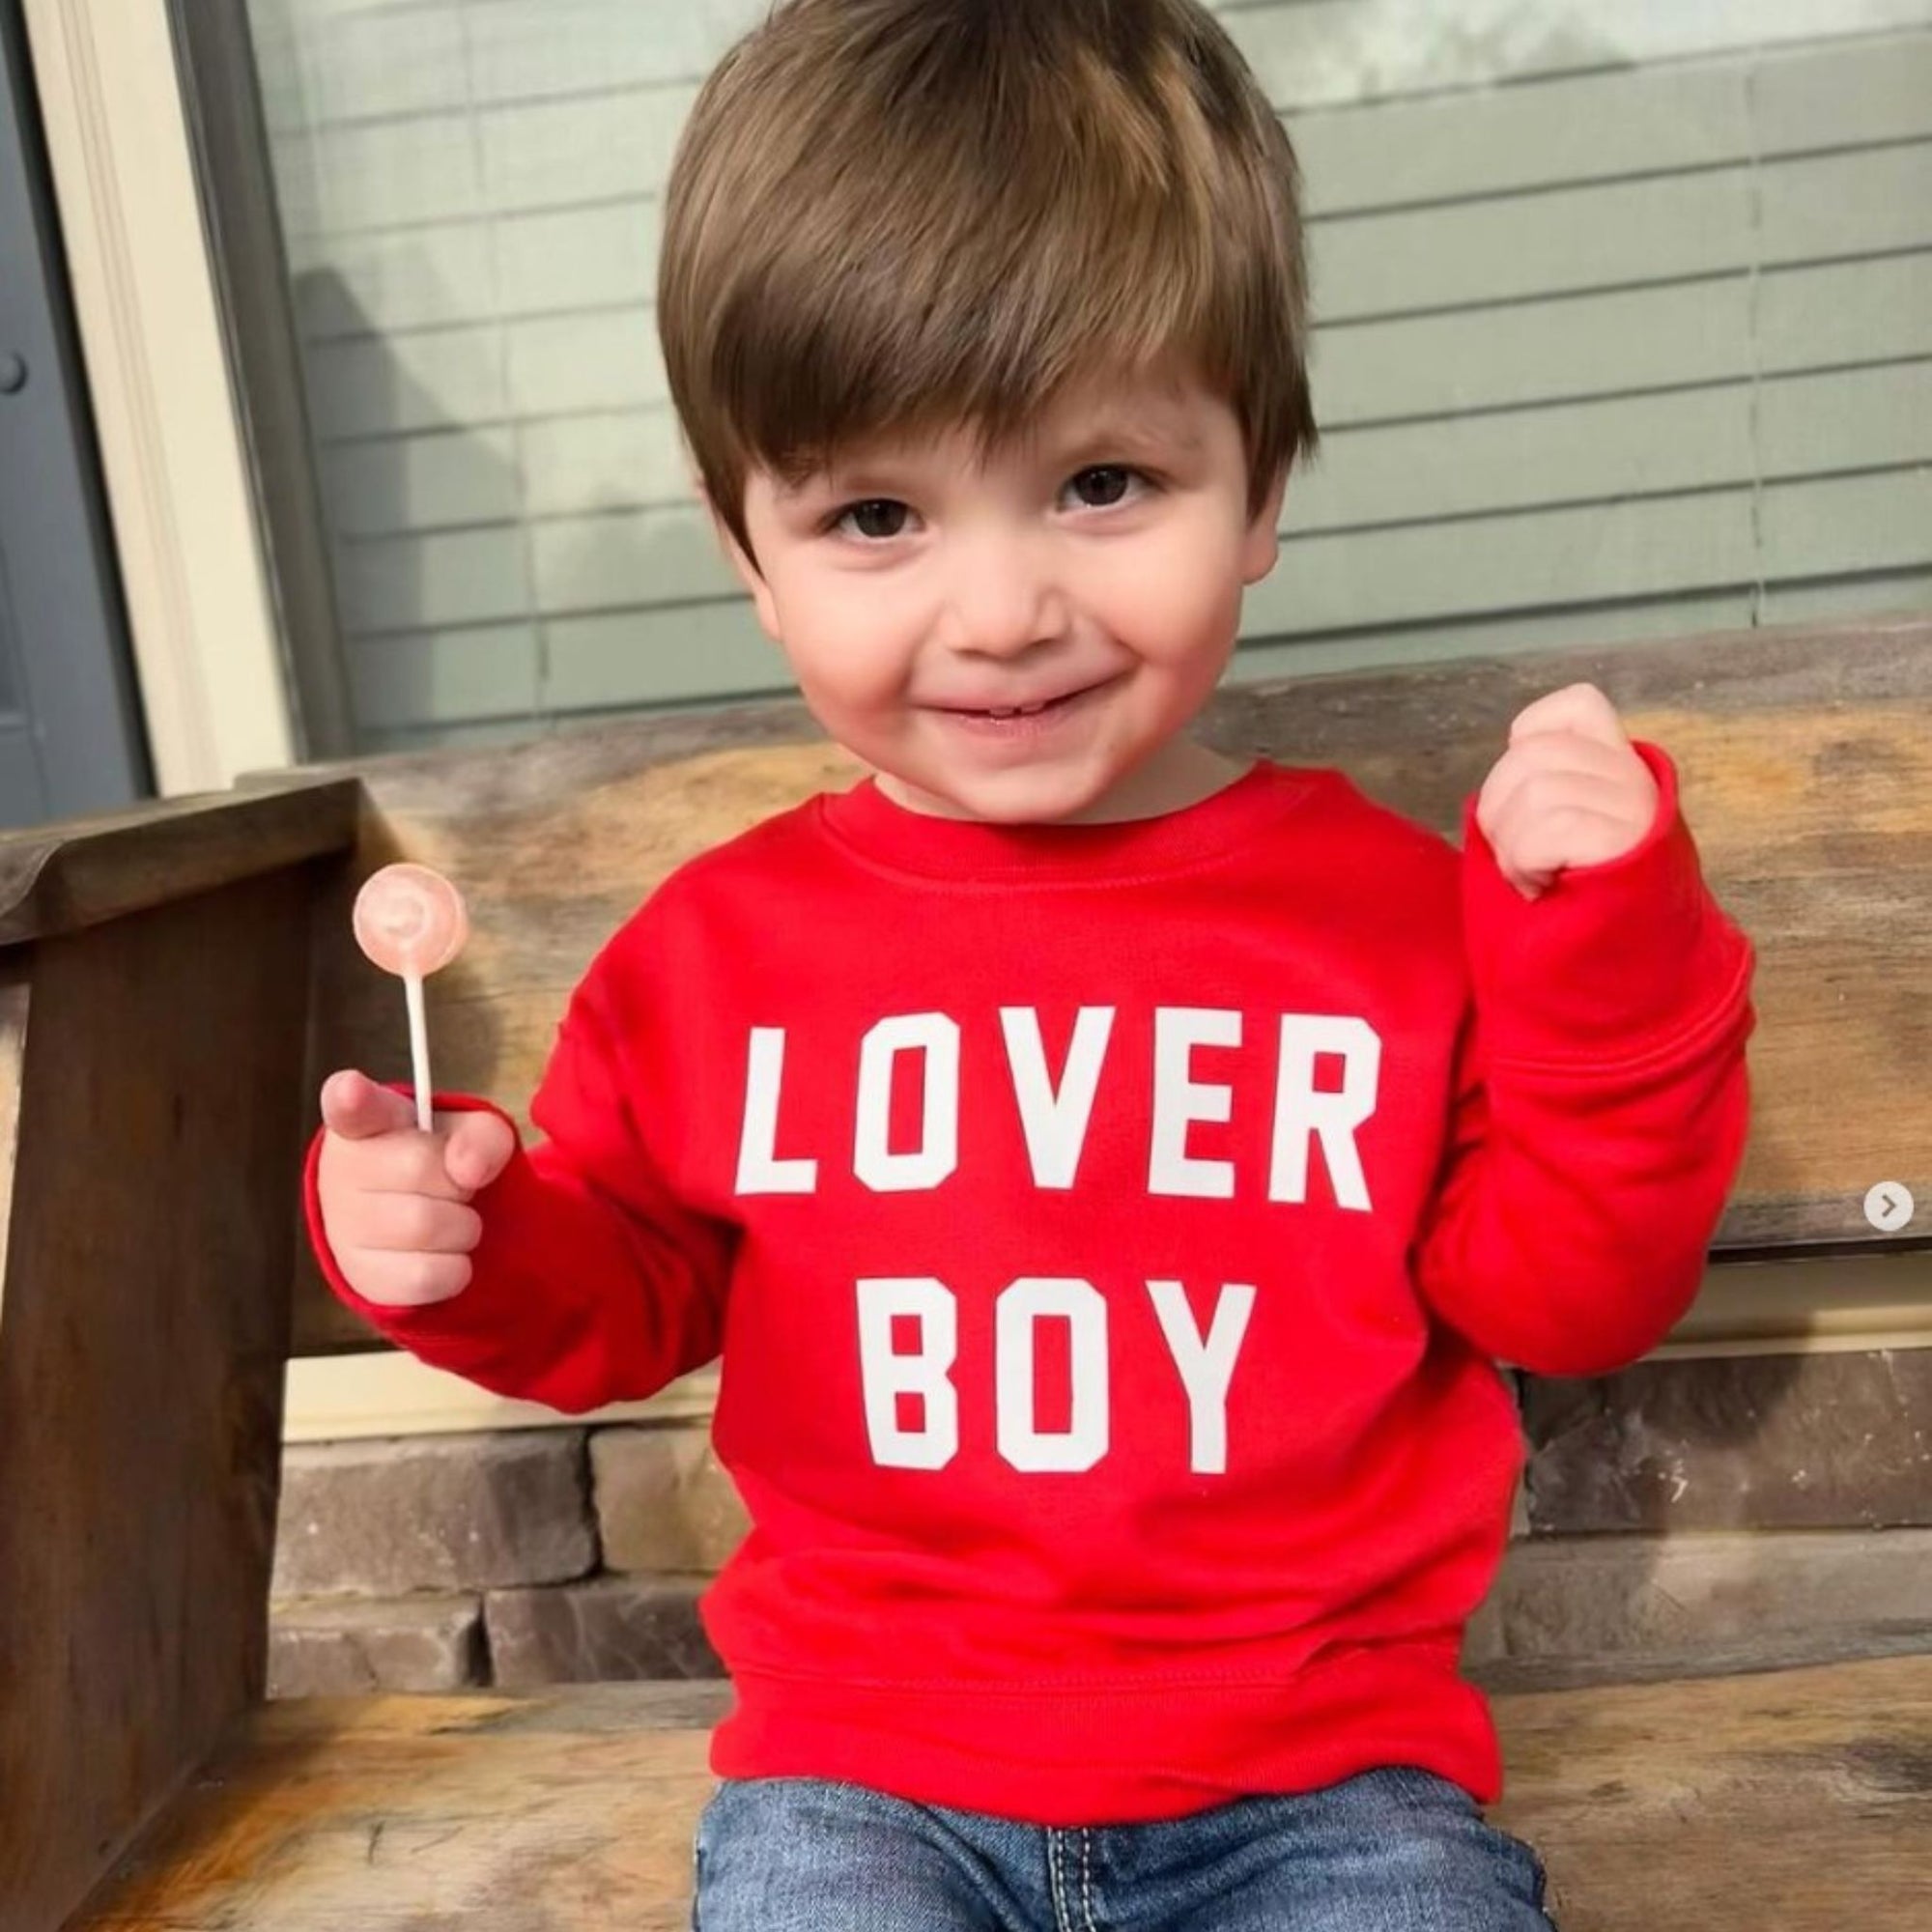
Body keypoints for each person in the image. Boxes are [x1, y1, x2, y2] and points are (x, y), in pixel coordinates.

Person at [307, 1, 1757, 1924]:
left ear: (1261, 482)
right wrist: (463, 1246)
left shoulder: (1396, 917)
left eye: (1098, 485)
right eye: (876, 516)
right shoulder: (714, 954)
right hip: (864, 1788)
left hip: (1320, 1788)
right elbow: (626, 1294)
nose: (1001, 611)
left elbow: (1572, 1299)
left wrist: (1606, 957)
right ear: (748, 549)